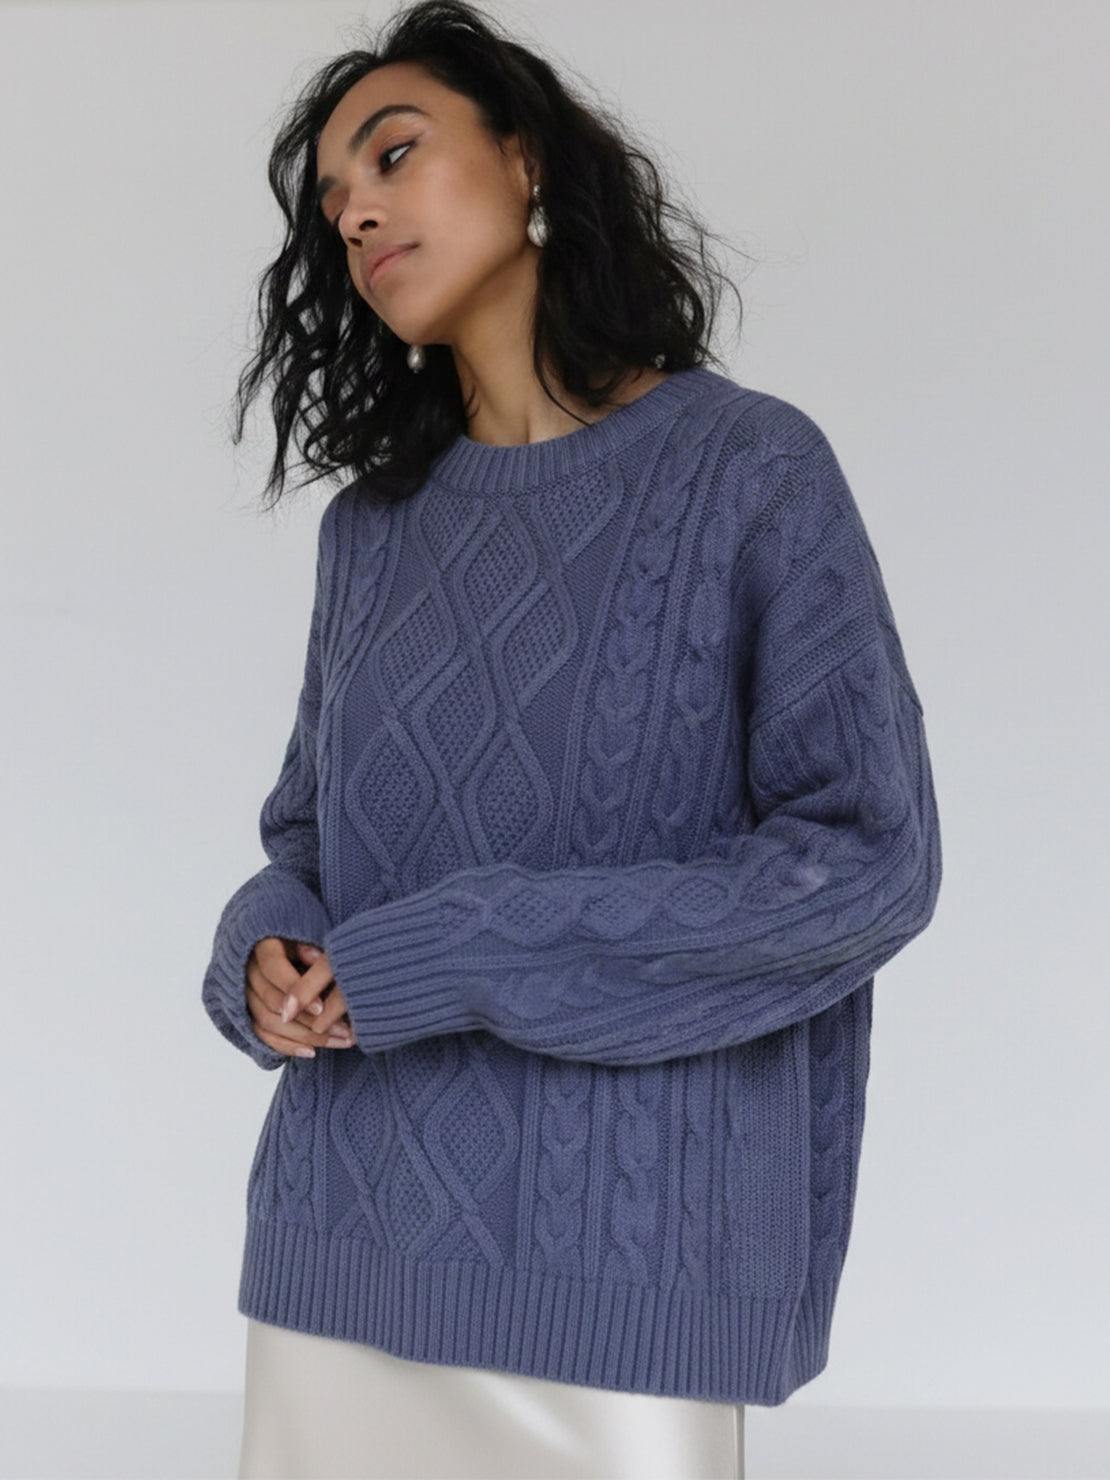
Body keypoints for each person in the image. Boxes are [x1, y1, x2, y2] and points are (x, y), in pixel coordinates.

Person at [200, 3, 943, 1477]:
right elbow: (308, 840)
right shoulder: (373, 532)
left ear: (526, 161)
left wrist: (466, 949)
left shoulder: (747, 471)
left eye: (393, 155)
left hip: (630, 1279)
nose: (357, 213)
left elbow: (867, 864)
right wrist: (265, 946)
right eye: (334, 204)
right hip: (338, 1251)